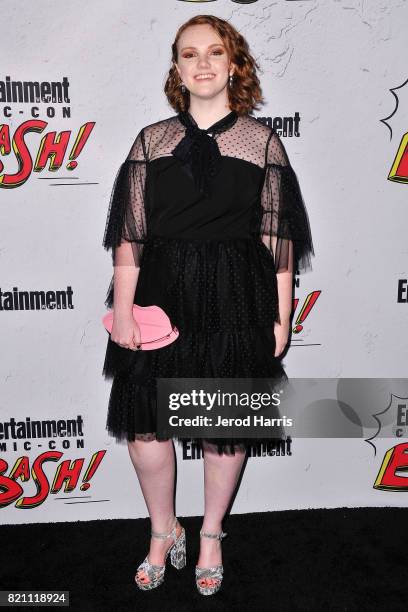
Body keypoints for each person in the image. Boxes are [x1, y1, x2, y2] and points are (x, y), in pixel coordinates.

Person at [101, 14, 314, 596]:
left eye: (213, 52)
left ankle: (212, 533)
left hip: (234, 297)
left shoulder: (263, 143)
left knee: (223, 425)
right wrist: (122, 311)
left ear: (233, 63)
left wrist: (281, 316)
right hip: (159, 297)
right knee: (146, 426)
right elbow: (130, 236)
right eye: (189, 54)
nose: (201, 63)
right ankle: (162, 530)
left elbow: (279, 241)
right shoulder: (151, 140)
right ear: (176, 68)